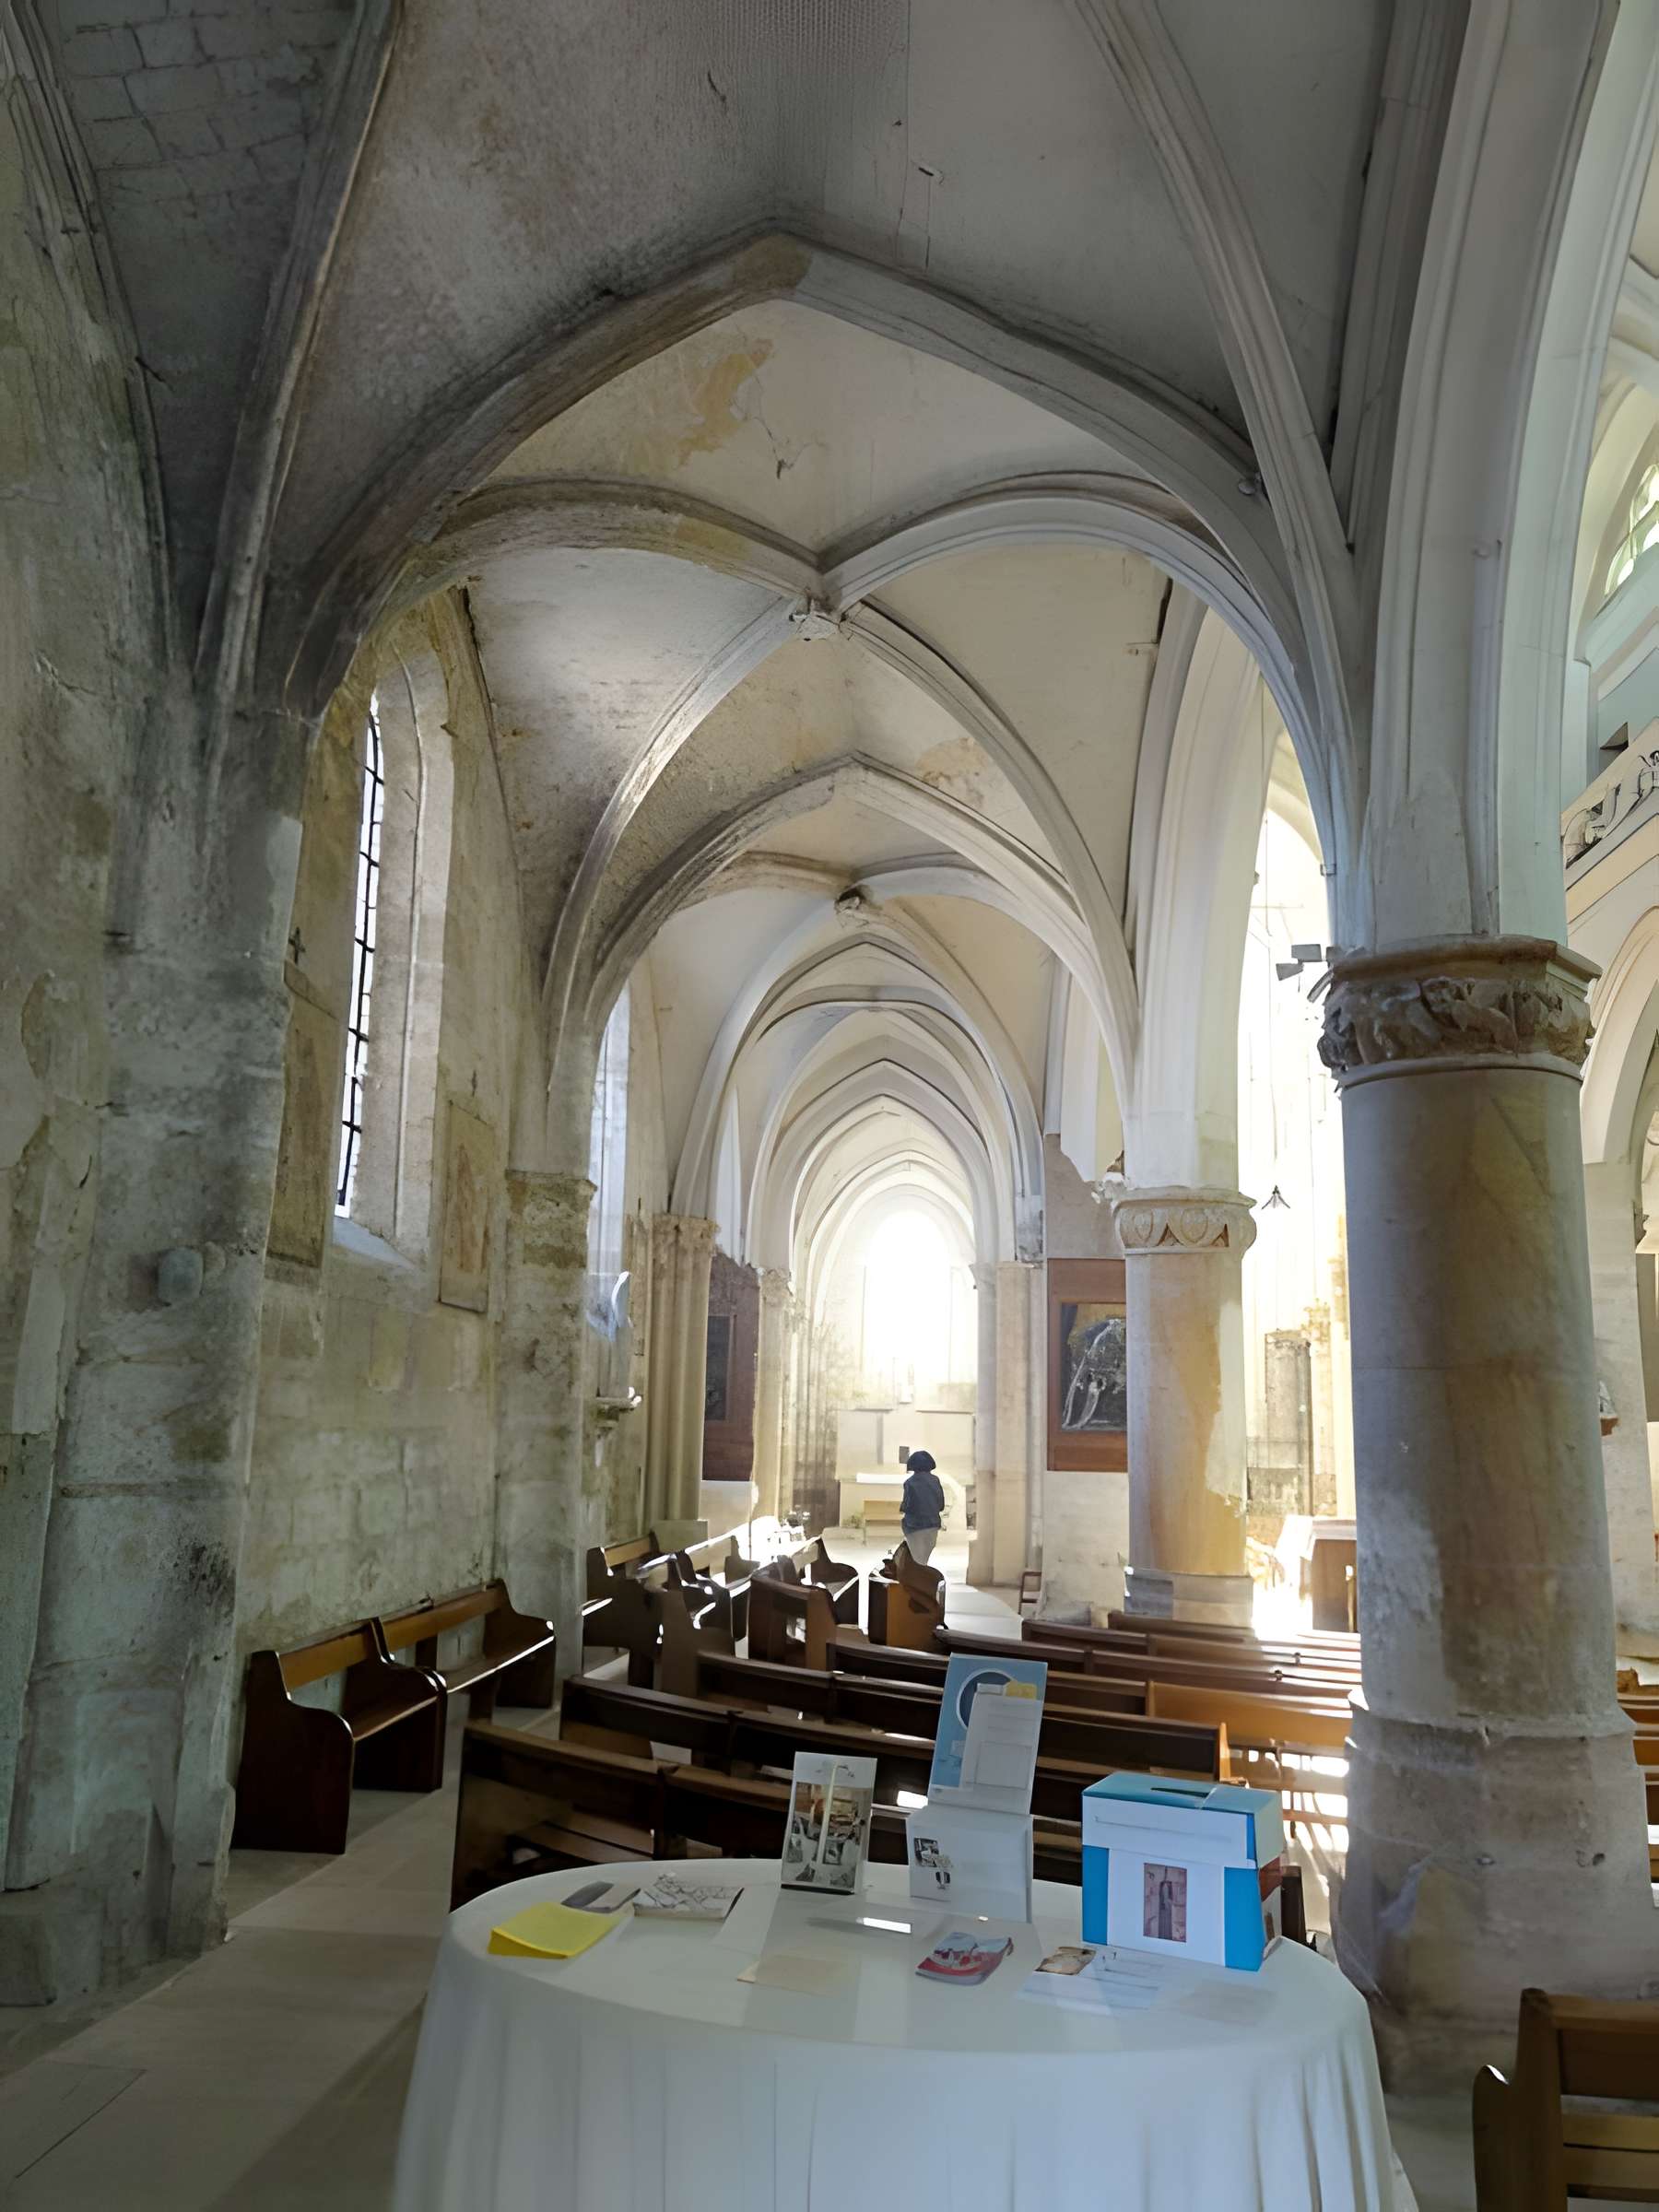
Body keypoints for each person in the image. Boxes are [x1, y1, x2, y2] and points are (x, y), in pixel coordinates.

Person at [900, 1449, 946, 1567]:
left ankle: (917, 1579)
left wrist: (902, 1507)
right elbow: (941, 1505)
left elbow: (908, 1505)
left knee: (916, 1558)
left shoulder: (910, 1482)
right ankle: (922, 1575)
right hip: (932, 1525)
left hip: (915, 1526)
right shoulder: (936, 1481)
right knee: (924, 1559)